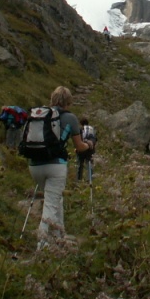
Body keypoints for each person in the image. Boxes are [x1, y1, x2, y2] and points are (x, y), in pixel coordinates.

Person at [28, 86, 92, 244]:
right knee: (51, 204)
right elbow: (79, 147)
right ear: (68, 102)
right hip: (56, 165)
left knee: (56, 199)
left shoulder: (41, 115)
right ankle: (42, 246)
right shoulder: (70, 118)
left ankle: (59, 236)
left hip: (34, 164)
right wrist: (89, 145)